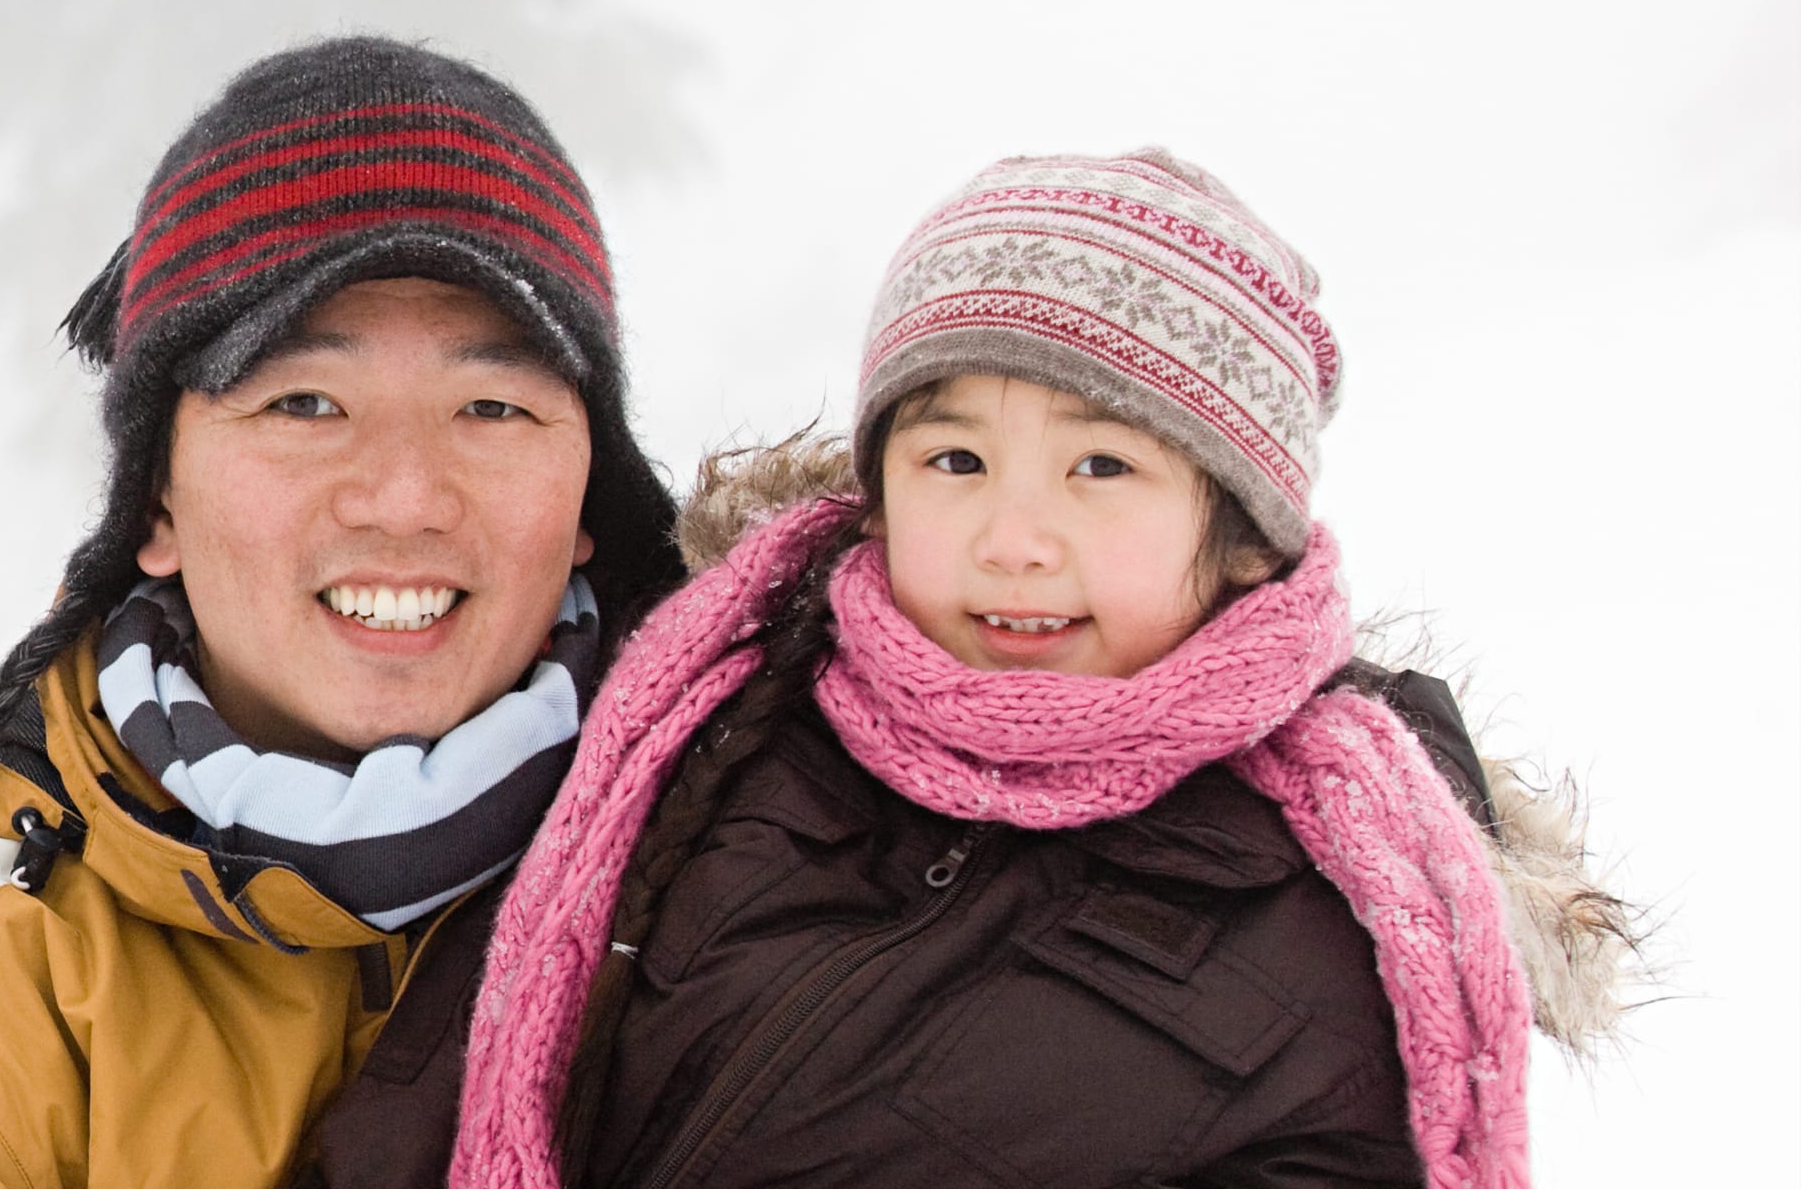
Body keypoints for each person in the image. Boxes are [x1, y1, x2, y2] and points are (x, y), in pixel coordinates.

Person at [0, 36, 689, 1188]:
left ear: (591, 498)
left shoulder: (761, 854)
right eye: (305, 401)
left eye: (489, 406)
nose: (404, 498)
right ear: (153, 505)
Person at [448, 149, 1635, 1188]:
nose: (1012, 540)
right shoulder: (707, 719)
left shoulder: (1342, 915)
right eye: (954, 459)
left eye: (1101, 468)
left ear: (1235, 539)